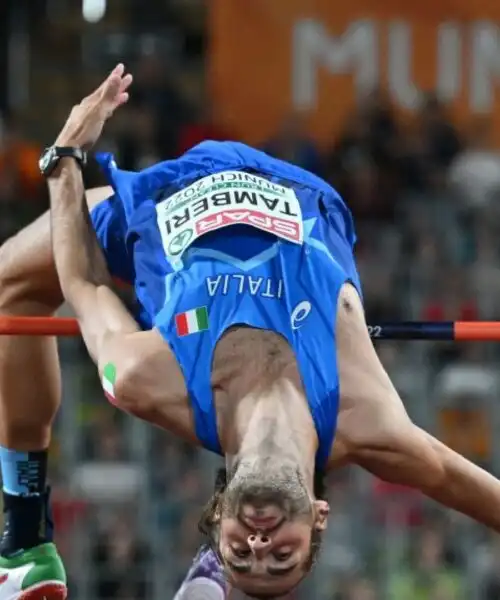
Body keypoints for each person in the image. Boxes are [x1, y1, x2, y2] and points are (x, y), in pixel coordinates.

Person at [2, 65, 500, 600]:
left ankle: (26, 541)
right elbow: (459, 483)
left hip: (165, 205)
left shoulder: (143, 377)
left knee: (11, 286)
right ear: (319, 517)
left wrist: (65, 158)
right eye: (282, 554)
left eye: (241, 550)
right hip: (295, 193)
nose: (260, 544)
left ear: (219, 516)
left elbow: (83, 284)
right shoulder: (364, 415)